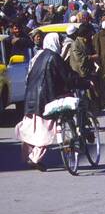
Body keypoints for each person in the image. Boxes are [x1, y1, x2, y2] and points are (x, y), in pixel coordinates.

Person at [15, 33, 86, 170]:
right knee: (45, 130)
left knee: (31, 130)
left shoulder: (38, 56)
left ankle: (29, 155)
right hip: (45, 98)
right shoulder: (54, 57)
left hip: (30, 98)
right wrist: (84, 83)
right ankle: (34, 157)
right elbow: (68, 77)